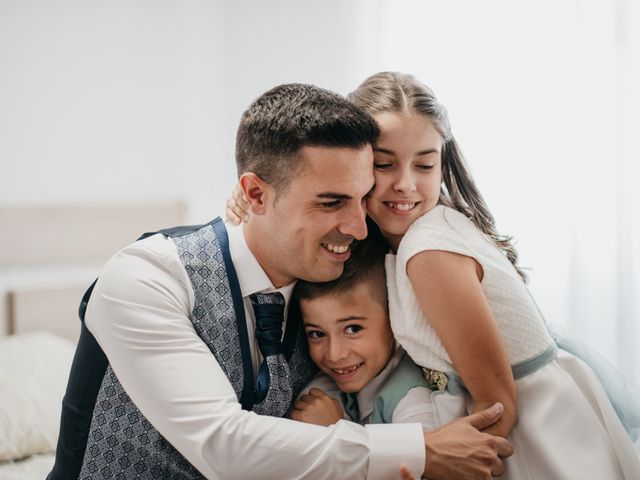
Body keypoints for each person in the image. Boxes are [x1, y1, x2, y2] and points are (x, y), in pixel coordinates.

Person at [48, 83, 513, 480]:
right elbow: (221, 442)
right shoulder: (145, 278)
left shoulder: (340, 285)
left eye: (361, 197)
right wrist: (420, 450)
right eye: (331, 203)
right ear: (254, 194)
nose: (358, 226)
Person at [227, 72, 640, 479]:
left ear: (444, 162)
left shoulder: (429, 251)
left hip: (536, 435)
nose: (406, 184)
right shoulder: (388, 240)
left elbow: (497, 407)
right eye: (384, 164)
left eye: (425, 164)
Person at [290, 223, 440, 429]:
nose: (335, 354)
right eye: (317, 333)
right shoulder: (331, 383)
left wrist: (338, 430)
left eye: (353, 329)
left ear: (395, 317)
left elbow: (429, 460)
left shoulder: (413, 402)